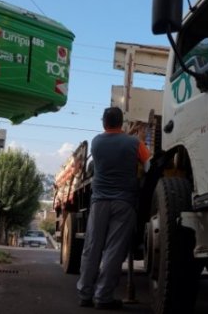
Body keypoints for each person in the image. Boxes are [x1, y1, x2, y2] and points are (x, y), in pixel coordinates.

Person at [77, 107, 150, 309]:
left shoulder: (96, 142)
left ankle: (85, 294)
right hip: (124, 202)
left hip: (99, 201)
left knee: (92, 248)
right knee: (113, 250)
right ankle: (103, 297)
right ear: (121, 122)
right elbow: (149, 165)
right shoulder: (135, 143)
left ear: (104, 123)